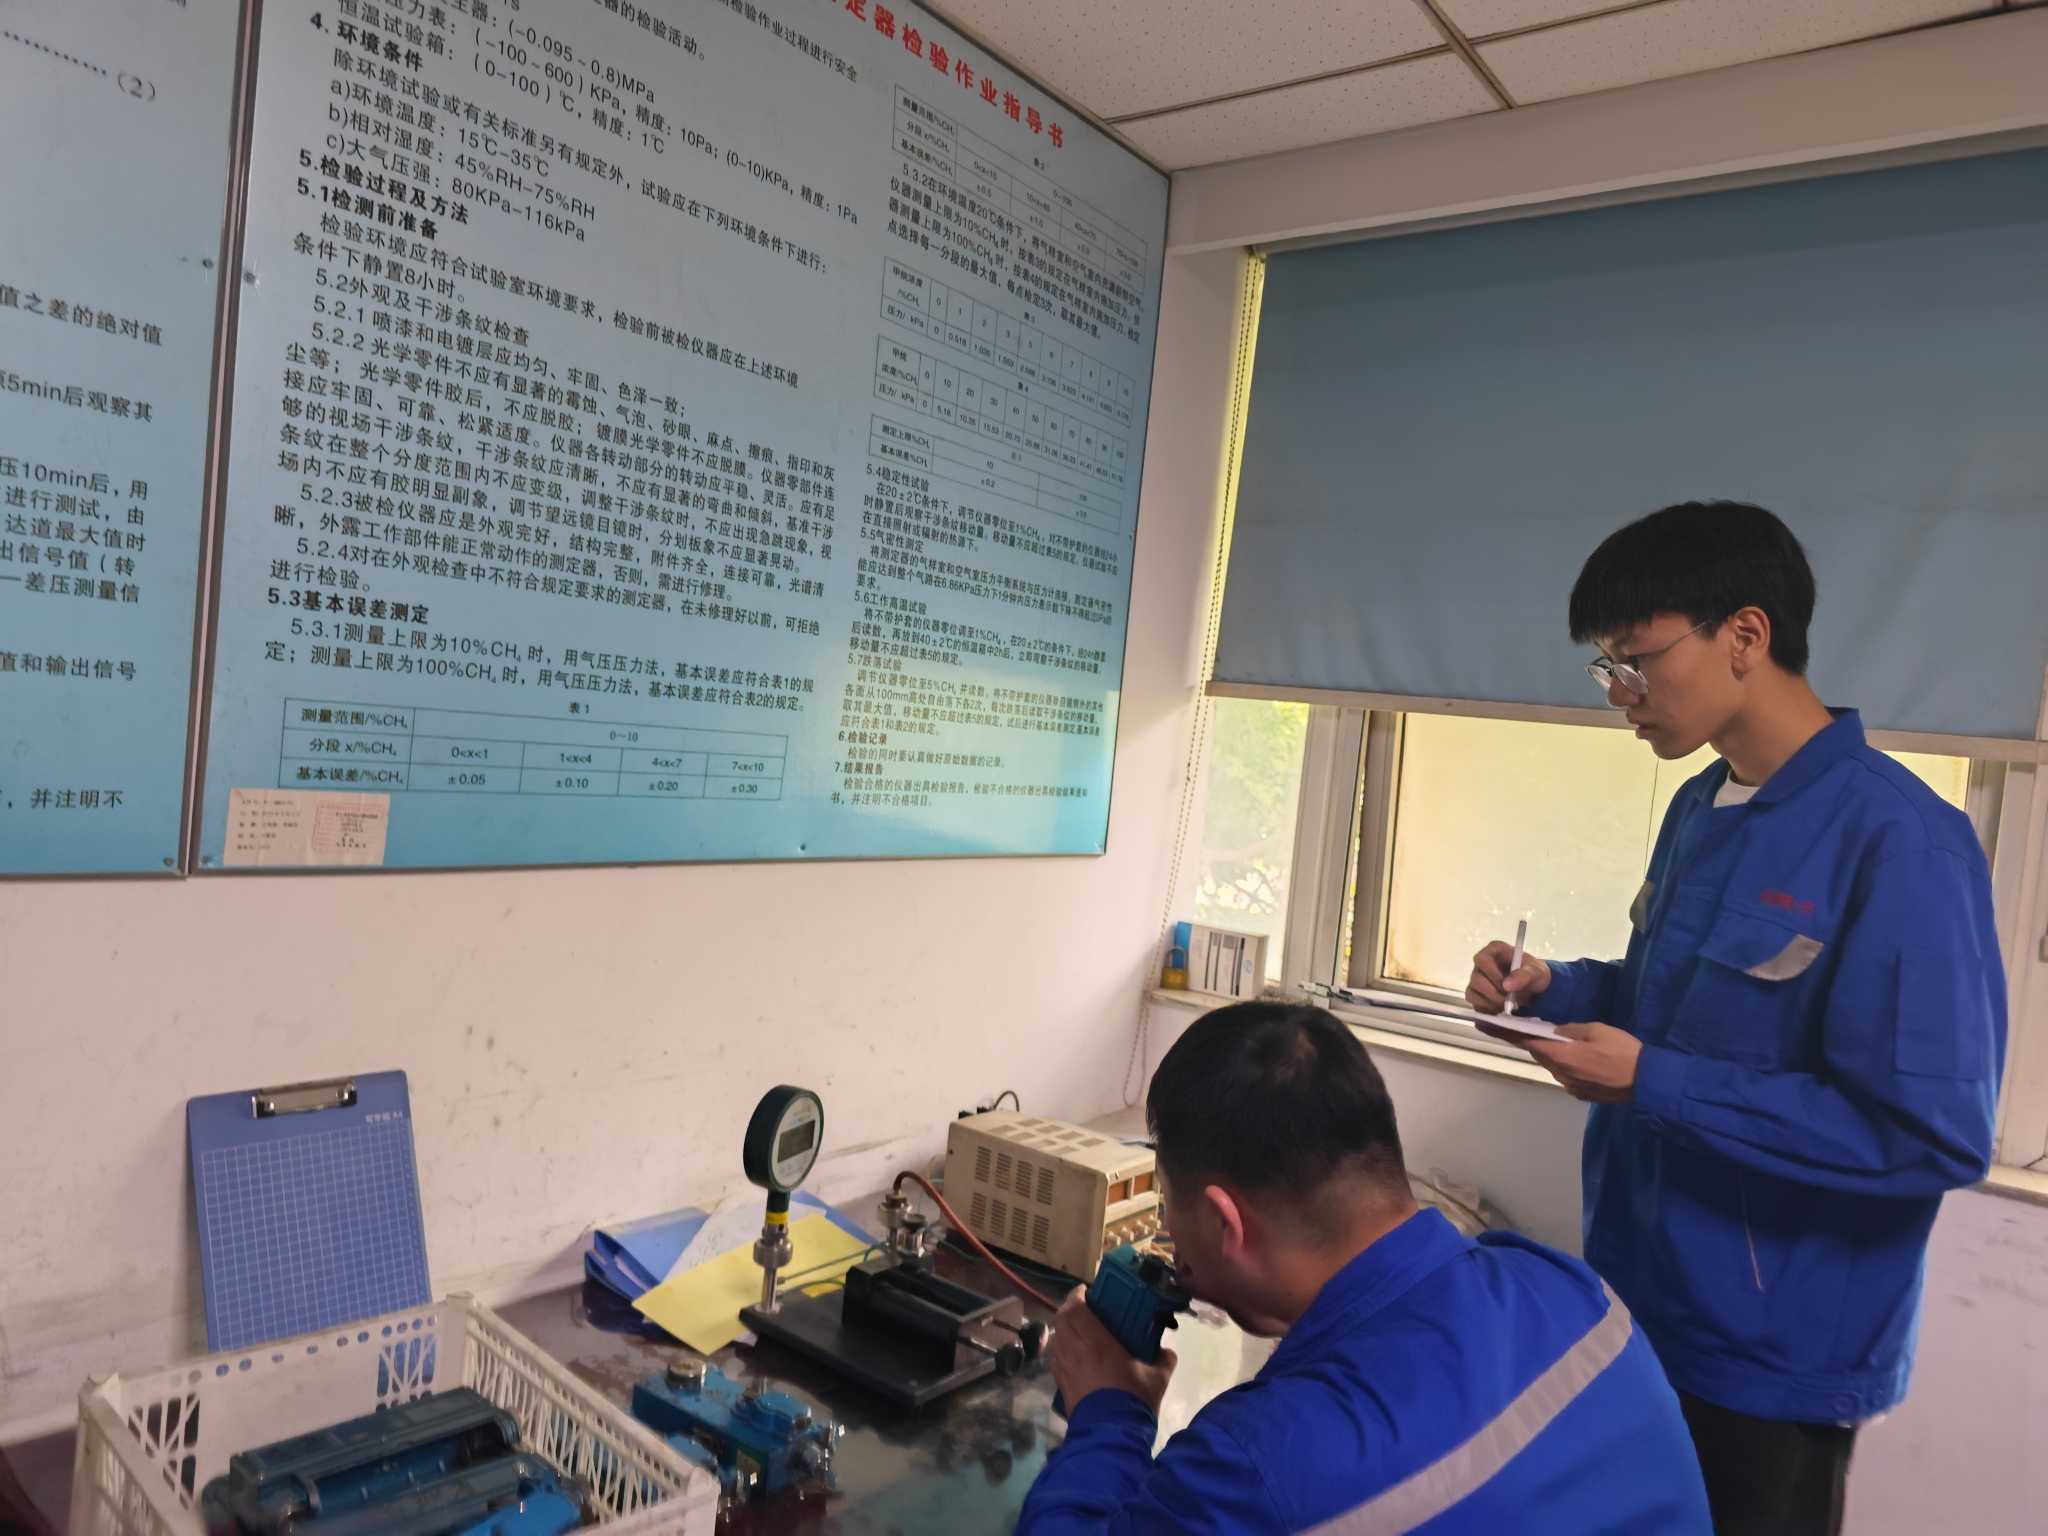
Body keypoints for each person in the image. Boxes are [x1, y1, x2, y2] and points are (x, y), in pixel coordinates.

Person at [1465, 501, 2006, 1536]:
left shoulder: (1904, 843)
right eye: (1605, 668)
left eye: (1635, 662)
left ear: (1745, 636)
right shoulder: (1699, 805)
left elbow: (1929, 1133)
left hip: (1772, 1357)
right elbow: (1669, 1004)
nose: (1618, 695)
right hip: (1639, 1300)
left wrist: (1651, 1082)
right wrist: (1550, 990)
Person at [1017, 1001, 1711, 1535]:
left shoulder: (1253, 1465)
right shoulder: (1573, 1291)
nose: (1170, 1238)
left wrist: (1110, 1412)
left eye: (1169, 1205)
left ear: (1227, 1224)